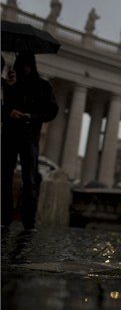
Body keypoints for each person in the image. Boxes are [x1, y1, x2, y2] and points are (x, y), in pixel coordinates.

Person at [1, 52, 59, 230]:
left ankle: (28, 221)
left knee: (30, 180)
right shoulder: (9, 84)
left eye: (27, 65)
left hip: (29, 136)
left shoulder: (42, 86)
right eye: (21, 65)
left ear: (32, 66)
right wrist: (9, 99)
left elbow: (51, 111)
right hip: (10, 134)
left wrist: (31, 117)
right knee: (4, 177)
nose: (25, 69)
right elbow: (3, 106)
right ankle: (4, 218)